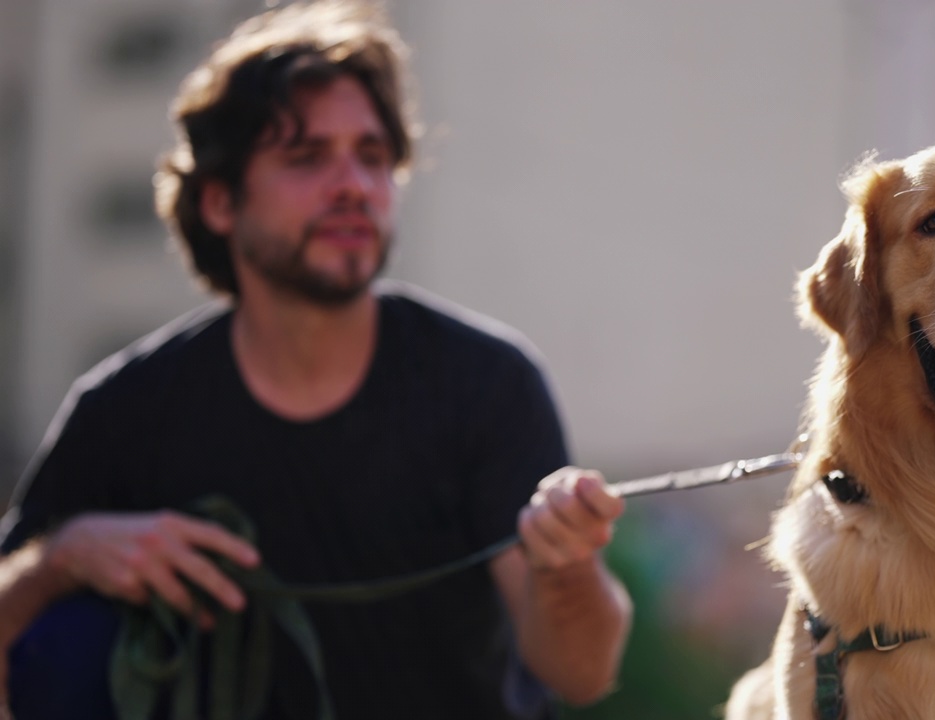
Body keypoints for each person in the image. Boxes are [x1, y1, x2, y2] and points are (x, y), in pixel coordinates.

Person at [0, 1, 632, 717]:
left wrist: (568, 568)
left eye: (372, 157)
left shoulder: (486, 382)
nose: (353, 186)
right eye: (306, 157)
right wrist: (62, 558)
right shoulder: (123, 411)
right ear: (218, 202)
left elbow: (582, 673)